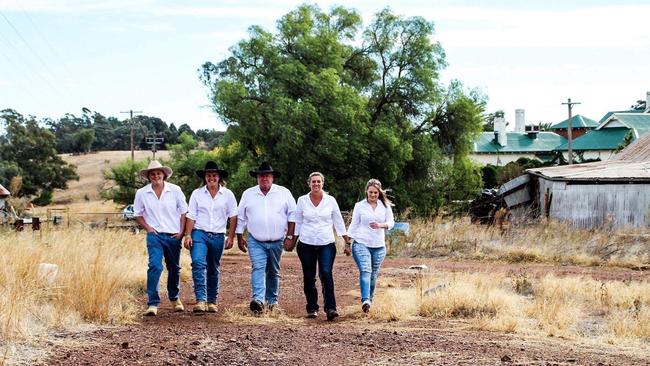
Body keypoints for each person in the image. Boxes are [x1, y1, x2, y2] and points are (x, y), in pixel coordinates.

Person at [236, 162, 297, 313]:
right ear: (257, 178)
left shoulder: (283, 192)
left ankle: (272, 302)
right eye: (261, 176)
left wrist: (290, 236)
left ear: (272, 177)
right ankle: (258, 299)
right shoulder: (248, 194)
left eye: (267, 176)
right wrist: (239, 236)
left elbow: (293, 215)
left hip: (277, 240)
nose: (264, 178)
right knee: (258, 267)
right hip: (255, 240)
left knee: (273, 271)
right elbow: (241, 217)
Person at [291, 172, 350, 321]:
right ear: (309, 184)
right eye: (313, 182)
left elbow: (338, 221)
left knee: (326, 273)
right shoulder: (302, 201)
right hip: (306, 243)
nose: (316, 184)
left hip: (326, 243)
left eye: (318, 182)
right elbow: (297, 222)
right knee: (309, 276)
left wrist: (346, 241)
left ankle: (330, 308)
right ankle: (312, 307)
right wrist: (291, 241)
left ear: (323, 183)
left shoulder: (330, 201)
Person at [133, 160, 188, 316]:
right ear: (148, 176)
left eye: (158, 173)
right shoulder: (142, 193)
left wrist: (181, 231)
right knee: (155, 266)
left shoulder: (175, 190)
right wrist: (149, 228)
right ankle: (152, 303)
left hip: (173, 235)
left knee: (174, 268)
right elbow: (137, 214)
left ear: (164, 175)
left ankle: (174, 297)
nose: (155, 176)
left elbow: (184, 211)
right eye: (152, 174)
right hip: (155, 236)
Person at [183, 161, 237, 314]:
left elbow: (233, 216)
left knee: (213, 267)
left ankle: (212, 301)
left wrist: (231, 237)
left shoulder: (228, 194)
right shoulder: (197, 193)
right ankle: (201, 299)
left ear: (219, 177)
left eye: (214, 175)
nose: (211, 178)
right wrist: (188, 235)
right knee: (198, 263)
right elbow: (191, 215)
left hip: (218, 235)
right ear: (204, 178)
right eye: (208, 175)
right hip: (200, 233)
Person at [346, 178, 395, 314]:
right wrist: (348, 242)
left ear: (379, 193)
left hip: (379, 245)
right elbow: (354, 224)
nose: (373, 195)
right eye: (371, 192)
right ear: (366, 191)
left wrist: (381, 225)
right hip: (362, 242)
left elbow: (391, 223)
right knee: (365, 270)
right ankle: (365, 299)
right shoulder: (359, 206)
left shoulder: (385, 206)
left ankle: (369, 303)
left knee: (373, 275)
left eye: (376, 192)